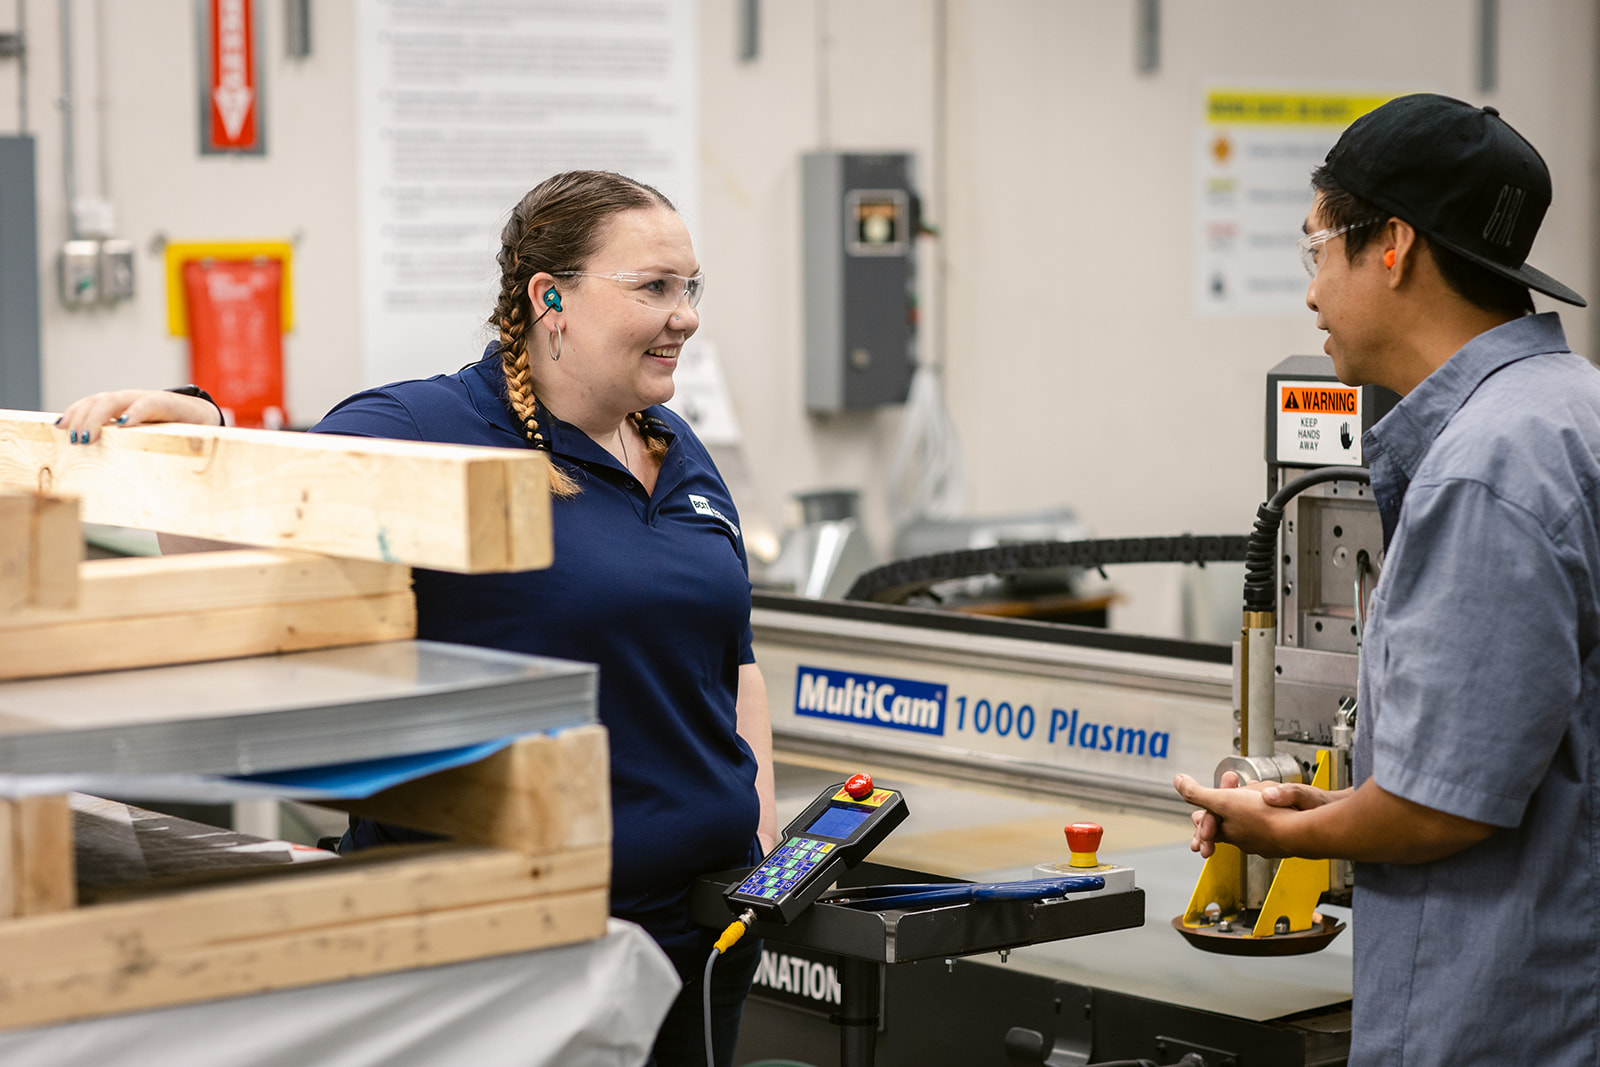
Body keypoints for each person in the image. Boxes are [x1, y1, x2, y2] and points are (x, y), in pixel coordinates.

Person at [58, 170, 776, 1067]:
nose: (687, 316)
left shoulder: (679, 449)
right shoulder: (421, 427)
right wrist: (201, 432)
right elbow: (245, 574)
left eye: (691, 287)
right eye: (655, 288)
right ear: (549, 298)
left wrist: (762, 847)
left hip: (705, 926)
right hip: (513, 928)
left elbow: (733, 660)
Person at [1174, 94, 1600, 1065]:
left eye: (1317, 247)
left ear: (1393, 246)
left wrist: (1282, 828)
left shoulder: (1485, 466)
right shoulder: (1566, 411)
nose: (1311, 291)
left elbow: (1440, 802)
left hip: (1503, 1018)